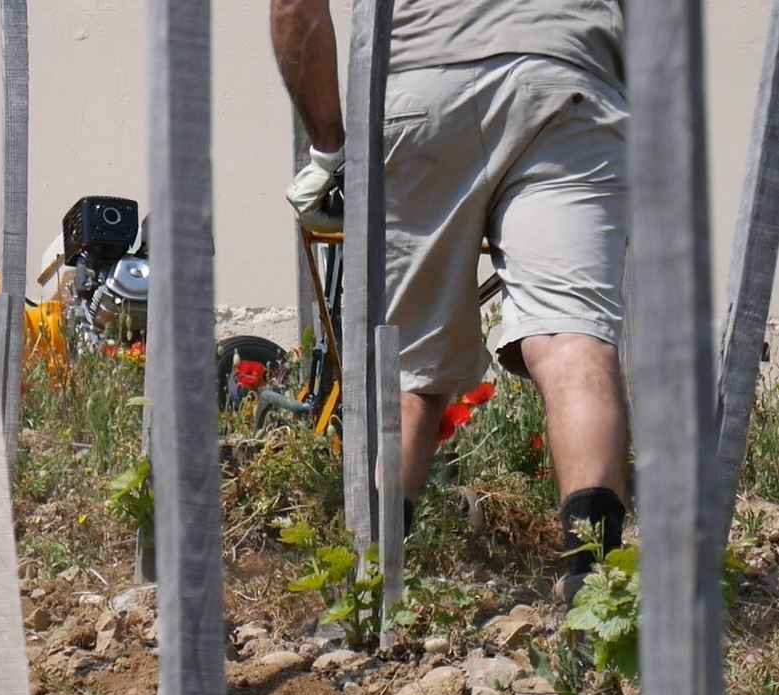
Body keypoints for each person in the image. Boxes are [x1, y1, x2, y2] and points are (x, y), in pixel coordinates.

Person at [270, 0, 630, 606]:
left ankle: (368, 595)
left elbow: (295, 6)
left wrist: (330, 152)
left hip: (424, 82)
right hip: (568, 77)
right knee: (574, 342)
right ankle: (596, 596)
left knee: (408, 370)